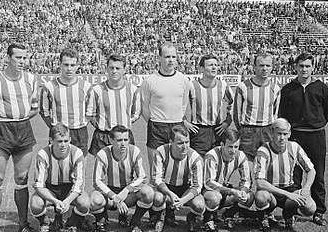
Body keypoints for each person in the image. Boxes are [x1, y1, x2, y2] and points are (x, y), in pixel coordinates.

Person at [0, 43, 39, 232]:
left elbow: (35, 108)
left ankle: (23, 224)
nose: (22, 62)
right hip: (2, 130)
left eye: (24, 58)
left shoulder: (31, 79)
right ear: (8, 58)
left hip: (23, 129)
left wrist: (19, 119)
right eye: (18, 58)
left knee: (22, 179)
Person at [279, 52, 328, 226]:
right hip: (294, 136)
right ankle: (290, 213)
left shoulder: (321, 88)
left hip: (316, 135)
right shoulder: (288, 89)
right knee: (293, 176)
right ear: (295, 67)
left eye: (308, 66)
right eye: (301, 66)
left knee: (317, 173)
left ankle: (319, 212)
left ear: (313, 67)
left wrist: (316, 123)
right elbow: (282, 113)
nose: (304, 69)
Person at [254, 118, 316, 232]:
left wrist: (306, 188)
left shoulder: (294, 147)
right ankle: (264, 216)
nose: (282, 137)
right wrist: (289, 195)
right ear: (272, 133)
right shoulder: (263, 150)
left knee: (310, 208)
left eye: (285, 134)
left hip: (289, 188)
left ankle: (289, 213)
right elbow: (260, 182)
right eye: (279, 133)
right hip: (270, 191)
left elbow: (311, 170)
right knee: (261, 197)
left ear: (290, 134)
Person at [89, 125, 154, 232]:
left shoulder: (135, 151)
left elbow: (142, 177)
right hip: (110, 196)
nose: (123, 143)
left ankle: (135, 222)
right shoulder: (103, 154)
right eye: (119, 140)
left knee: (148, 192)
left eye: (125, 139)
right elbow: (97, 181)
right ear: (111, 140)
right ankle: (101, 221)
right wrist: (115, 197)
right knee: (94, 199)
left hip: (127, 195)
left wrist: (126, 190)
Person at [29, 123, 91, 232]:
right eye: (59, 141)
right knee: (35, 204)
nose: (63, 145)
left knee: (85, 202)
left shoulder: (77, 153)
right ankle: (45, 223)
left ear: (70, 140)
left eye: (66, 141)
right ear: (51, 140)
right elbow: (39, 185)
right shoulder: (43, 154)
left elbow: (79, 184)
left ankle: (71, 223)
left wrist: (67, 201)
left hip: (69, 188)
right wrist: (55, 201)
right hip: (50, 188)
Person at [140, 42, 192, 177]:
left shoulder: (183, 80)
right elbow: (144, 106)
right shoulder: (150, 81)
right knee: (155, 170)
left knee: (178, 167)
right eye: (167, 56)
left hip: (177, 125)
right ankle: (156, 196)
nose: (171, 60)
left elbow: (183, 104)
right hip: (156, 126)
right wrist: (153, 121)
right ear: (159, 58)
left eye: (174, 57)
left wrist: (177, 118)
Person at [151, 124, 205, 232]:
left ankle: (191, 218)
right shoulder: (160, 152)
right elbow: (157, 179)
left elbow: (198, 186)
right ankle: (159, 218)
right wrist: (170, 194)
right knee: (157, 197)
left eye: (187, 142)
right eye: (180, 143)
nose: (185, 146)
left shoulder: (196, 158)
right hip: (166, 187)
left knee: (199, 205)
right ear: (171, 141)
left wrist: (183, 200)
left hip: (185, 188)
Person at [40, 48, 92, 155]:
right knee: (57, 167)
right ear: (60, 65)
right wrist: (55, 127)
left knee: (80, 167)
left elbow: (91, 111)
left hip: (79, 132)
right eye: (66, 64)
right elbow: (44, 112)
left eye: (72, 65)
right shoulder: (49, 87)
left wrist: (81, 122)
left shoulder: (86, 87)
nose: (69, 69)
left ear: (78, 65)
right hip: (58, 132)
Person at [86, 53, 141, 156]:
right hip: (102, 136)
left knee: (125, 169)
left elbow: (136, 114)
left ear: (124, 70)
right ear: (107, 69)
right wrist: (101, 124)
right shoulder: (97, 90)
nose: (114, 71)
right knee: (101, 169)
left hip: (124, 136)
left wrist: (123, 125)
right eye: (111, 68)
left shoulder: (133, 90)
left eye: (118, 68)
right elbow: (90, 114)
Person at [203, 129, 254, 232]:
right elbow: (209, 182)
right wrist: (232, 191)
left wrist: (242, 192)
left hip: (224, 189)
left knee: (249, 196)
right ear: (222, 144)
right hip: (207, 191)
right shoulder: (212, 156)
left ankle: (229, 215)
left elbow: (247, 180)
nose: (233, 150)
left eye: (236, 147)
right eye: (230, 147)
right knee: (215, 197)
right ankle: (208, 219)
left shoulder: (240, 156)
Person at [232, 53, 281, 162]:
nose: (265, 69)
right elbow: (236, 113)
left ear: (272, 67)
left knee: (266, 164)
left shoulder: (275, 88)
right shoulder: (243, 87)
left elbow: (275, 113)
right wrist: (243, 130)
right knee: (246, 165)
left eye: (268, 66)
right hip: (248, 130)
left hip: (267, 130)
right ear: (254, 67)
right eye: (261, 65)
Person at [184, 55, 233, 157]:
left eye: (216, 65)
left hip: (218, 130)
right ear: (202, 68)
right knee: (198, 164)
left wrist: (228, 121)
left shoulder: (223, 85)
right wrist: (184, 122)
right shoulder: (192, 85)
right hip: (198, 131)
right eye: (210, 65)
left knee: (216, 162)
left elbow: (234, 103)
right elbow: (179, 105)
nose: (214, 67)